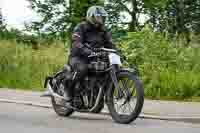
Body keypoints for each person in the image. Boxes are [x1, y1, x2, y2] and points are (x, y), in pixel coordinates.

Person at [64, 5, 116, 103]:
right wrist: (86, 50)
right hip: (78, 57)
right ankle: (68, 91)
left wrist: (117, 51)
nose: (101, 20)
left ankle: (96, 95)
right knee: (82, 69)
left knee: (105, 70)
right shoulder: (81, 27)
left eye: (102, 17)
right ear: (91, 17)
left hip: (95, 58)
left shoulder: (103, 31)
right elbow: (76, 42)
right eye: (98, 17)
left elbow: (110, 43)